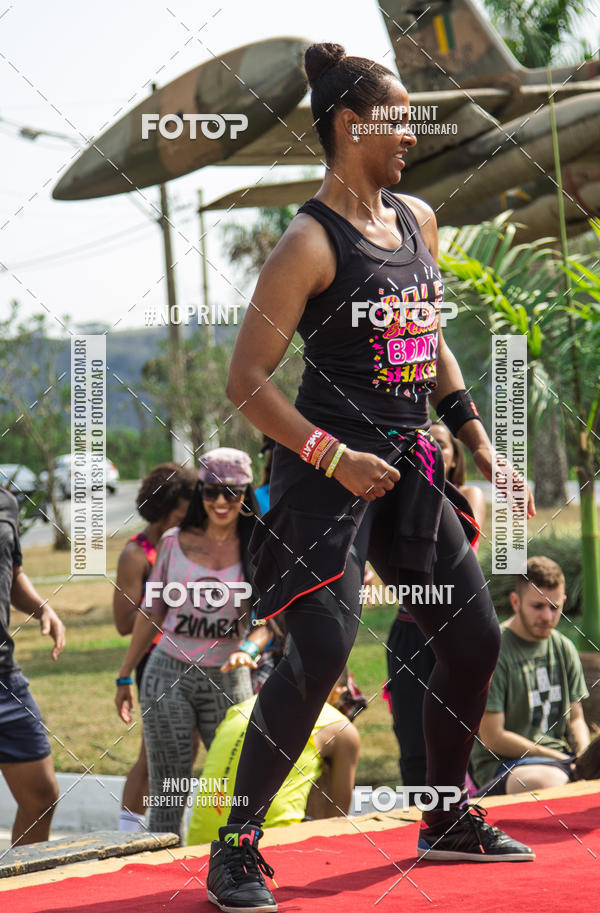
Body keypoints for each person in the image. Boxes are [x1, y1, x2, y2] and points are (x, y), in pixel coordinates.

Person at [206, 43, 537, 913]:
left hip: (410, 468)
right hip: (324, 475)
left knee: (471, 642)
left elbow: (426, 336)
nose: (410, 139)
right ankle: (236, 848)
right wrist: (331, 456)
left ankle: (445, 817)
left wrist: (478, 437)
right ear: (350, 128)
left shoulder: (418, 219)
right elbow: (246, 380)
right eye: (396, 123)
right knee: (318, 652)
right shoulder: (310, 242)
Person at [114, 448, 263, 842]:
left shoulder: (258, 546)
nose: (220, 502)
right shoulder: (173, 542)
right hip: (168, 674)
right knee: (169, 790)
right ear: (200, 493)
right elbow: (151, 612)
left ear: (246, 494)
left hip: (229, 678)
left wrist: (248, 648)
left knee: (235, 788)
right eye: (211, 491)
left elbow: (271, 621)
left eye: (231, 493)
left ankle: (230, 866)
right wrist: (124, 675)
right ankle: (164, 888)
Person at [385, 423, 486, 786]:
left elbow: (465, 536)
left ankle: (455, 810)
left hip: (454, 630)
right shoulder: (397, 501)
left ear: (456, 457)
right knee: (412, 738)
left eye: (441, 446)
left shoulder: (468, 495)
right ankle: (416, 816)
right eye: (424, 447)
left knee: (458, 732)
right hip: (409, 635)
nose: (433, 451)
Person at [187, 667, 361, 845]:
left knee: (307, 761)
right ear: (338, 691)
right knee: (321, 764)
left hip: (201, 843)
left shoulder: (240, 708)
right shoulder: (339, 726)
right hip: (268, 847)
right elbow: (337, 822)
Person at [113, 462, 196, 832]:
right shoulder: (137, 554)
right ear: (166, 508)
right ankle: (127, 835)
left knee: (186, 753)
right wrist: (161, 600)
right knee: (152, 757)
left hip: (193, 658)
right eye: (184, 507)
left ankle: (163, 831)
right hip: (154, 662)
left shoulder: (190, 544)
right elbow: (123, 624)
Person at [470, 556, 590, 796]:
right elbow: (493, 737)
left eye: (555, 607)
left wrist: (586, 759)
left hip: (561, 760)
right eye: (538, 606)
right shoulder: (494, 650)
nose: (547, 616)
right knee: (547, 782)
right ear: (516, 602)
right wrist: (558, 758)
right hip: (506, 766)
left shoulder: (564, 647)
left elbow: (576, 719)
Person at [0, 486, 65, 846]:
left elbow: (12, 573)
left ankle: (21, 894)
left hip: (4, 678)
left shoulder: (6, 501)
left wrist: (43, 609)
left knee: (41, 797)